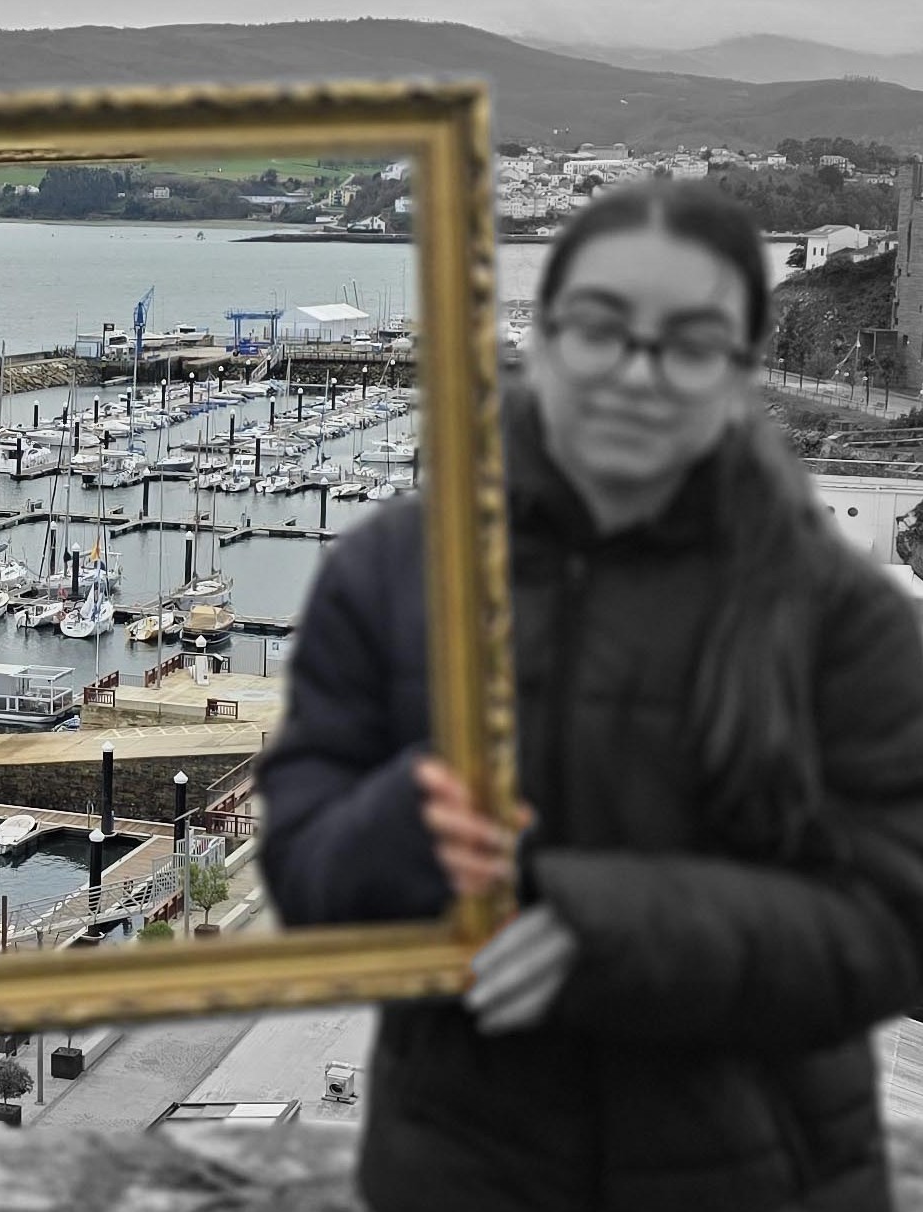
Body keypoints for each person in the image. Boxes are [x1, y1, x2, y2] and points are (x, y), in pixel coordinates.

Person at [259, 181, 923, 1211]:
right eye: (600, 327)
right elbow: (300, 867)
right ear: (544, 338)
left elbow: (895, 918)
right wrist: (397, 823)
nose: (636, 372)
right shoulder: (391, 572)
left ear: (739, 367)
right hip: (462, 1170)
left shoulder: (842, 613)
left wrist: (613, 929)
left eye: (689, 342)